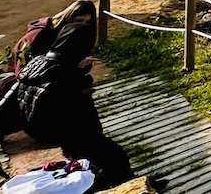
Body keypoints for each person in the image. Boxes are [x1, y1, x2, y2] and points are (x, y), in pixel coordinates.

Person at [13, 22, 135, 187]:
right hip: (57, 131)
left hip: (34, 125)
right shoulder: (64, 77)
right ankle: (130, 186)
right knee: (114, 155)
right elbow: (85, 118)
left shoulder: (38, 62)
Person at [0, 0, 97, 98]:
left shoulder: (78, 35)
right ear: (68, 18)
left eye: (88, 22)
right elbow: (24, 74)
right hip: (20, 88)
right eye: (79, 21)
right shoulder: (39, 35)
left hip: (54, 84)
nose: (83, 25)